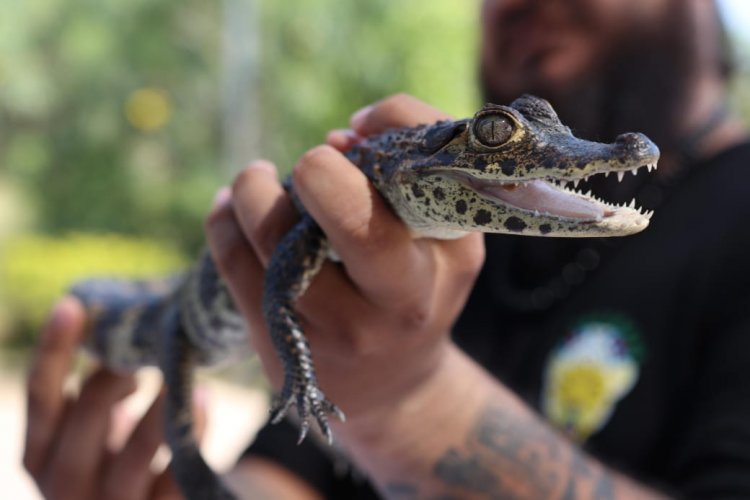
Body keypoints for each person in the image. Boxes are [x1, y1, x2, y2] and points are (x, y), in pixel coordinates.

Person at [24, 0, 750, 498]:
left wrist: (409, 401)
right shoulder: (422, 254)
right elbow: (287, 475)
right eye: (503, 133)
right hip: (175, 315)